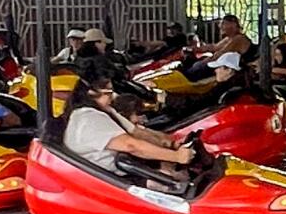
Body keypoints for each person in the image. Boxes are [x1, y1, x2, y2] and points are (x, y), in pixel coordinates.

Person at [63, 73, 193, 175]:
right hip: (110, 177)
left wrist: (169, 143)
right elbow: (131, 145)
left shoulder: (105, 110)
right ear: (91, 94)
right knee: (173, 178)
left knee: (170, 169)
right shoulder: (89, 118)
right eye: (108, 94)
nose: (113, 98)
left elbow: (138, 132)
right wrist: (176, 157)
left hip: (124, 167)